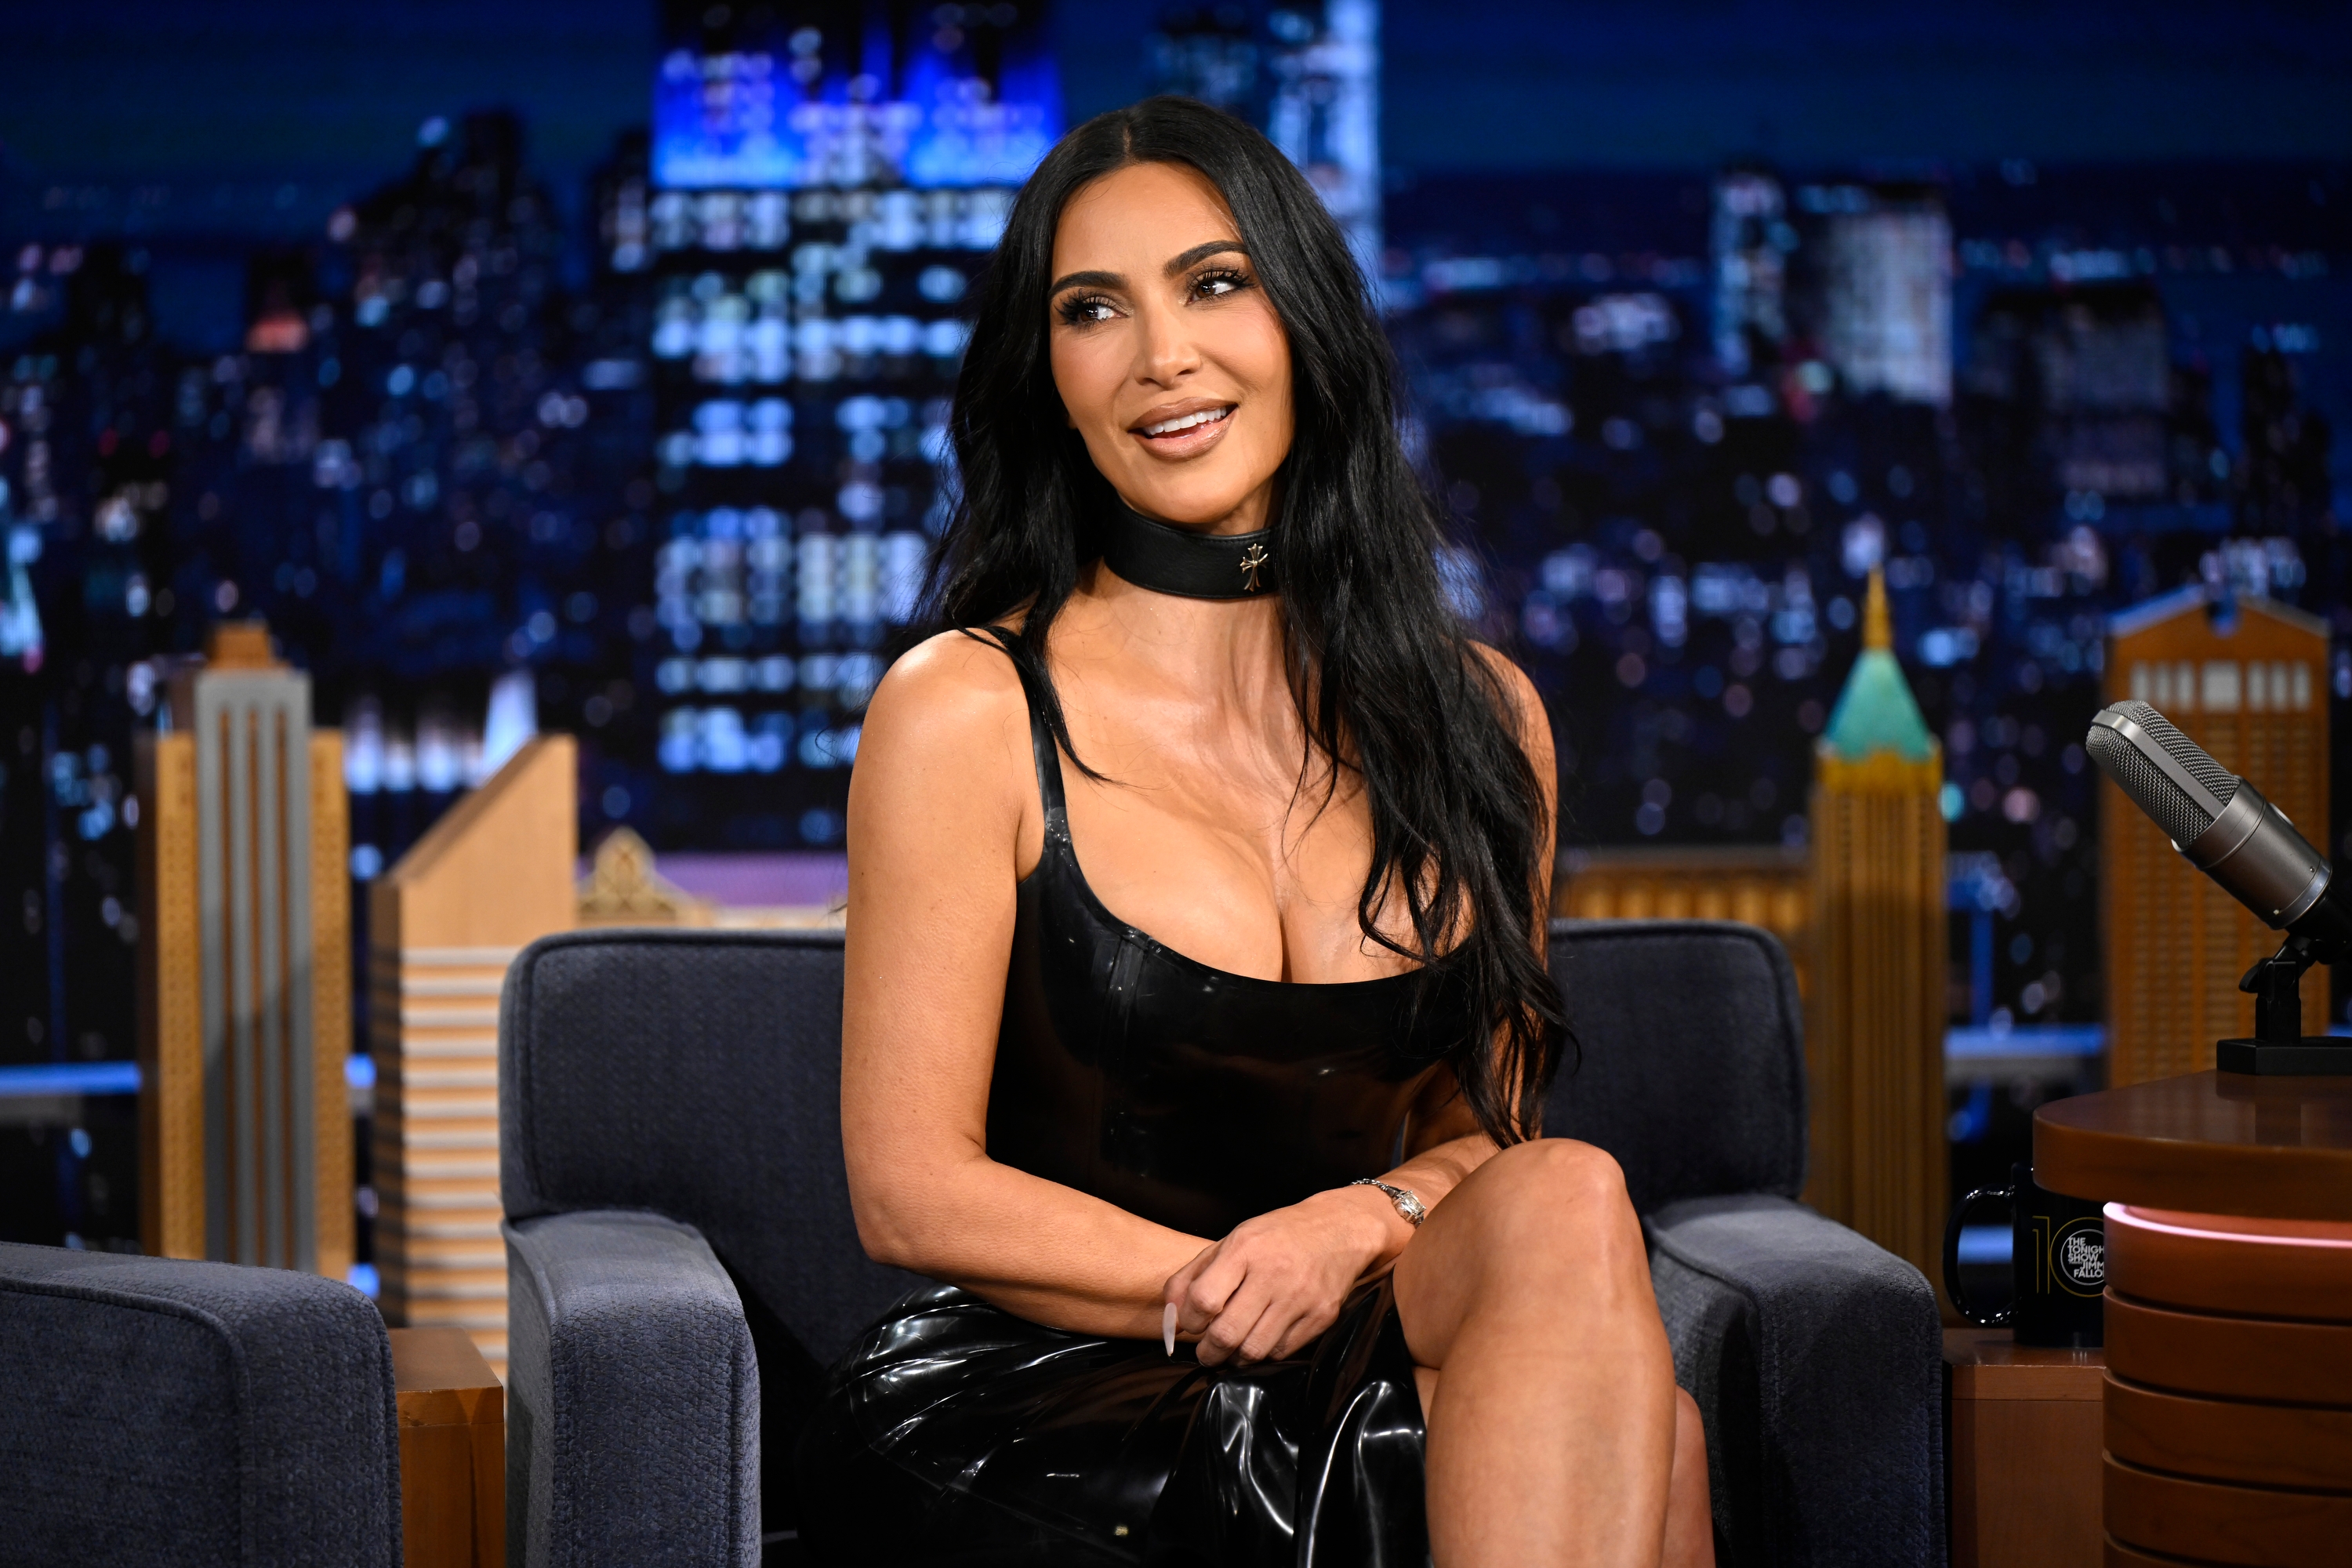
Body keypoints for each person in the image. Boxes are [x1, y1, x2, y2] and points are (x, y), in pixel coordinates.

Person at [797, 96, 1715, 1567]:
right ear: (1049, 374)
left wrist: (1349, 1229)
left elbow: (1485, 1138)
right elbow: (911, 1192)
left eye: (1214, 284)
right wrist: (1250, 1284)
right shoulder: (963, 707)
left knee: (1570, 1194)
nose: (1162, 355)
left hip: (1348, 1309)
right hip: (1050, 1385)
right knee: (1652, 1442)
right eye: (1094, 309)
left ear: (1304, 319)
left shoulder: (1487, 722)